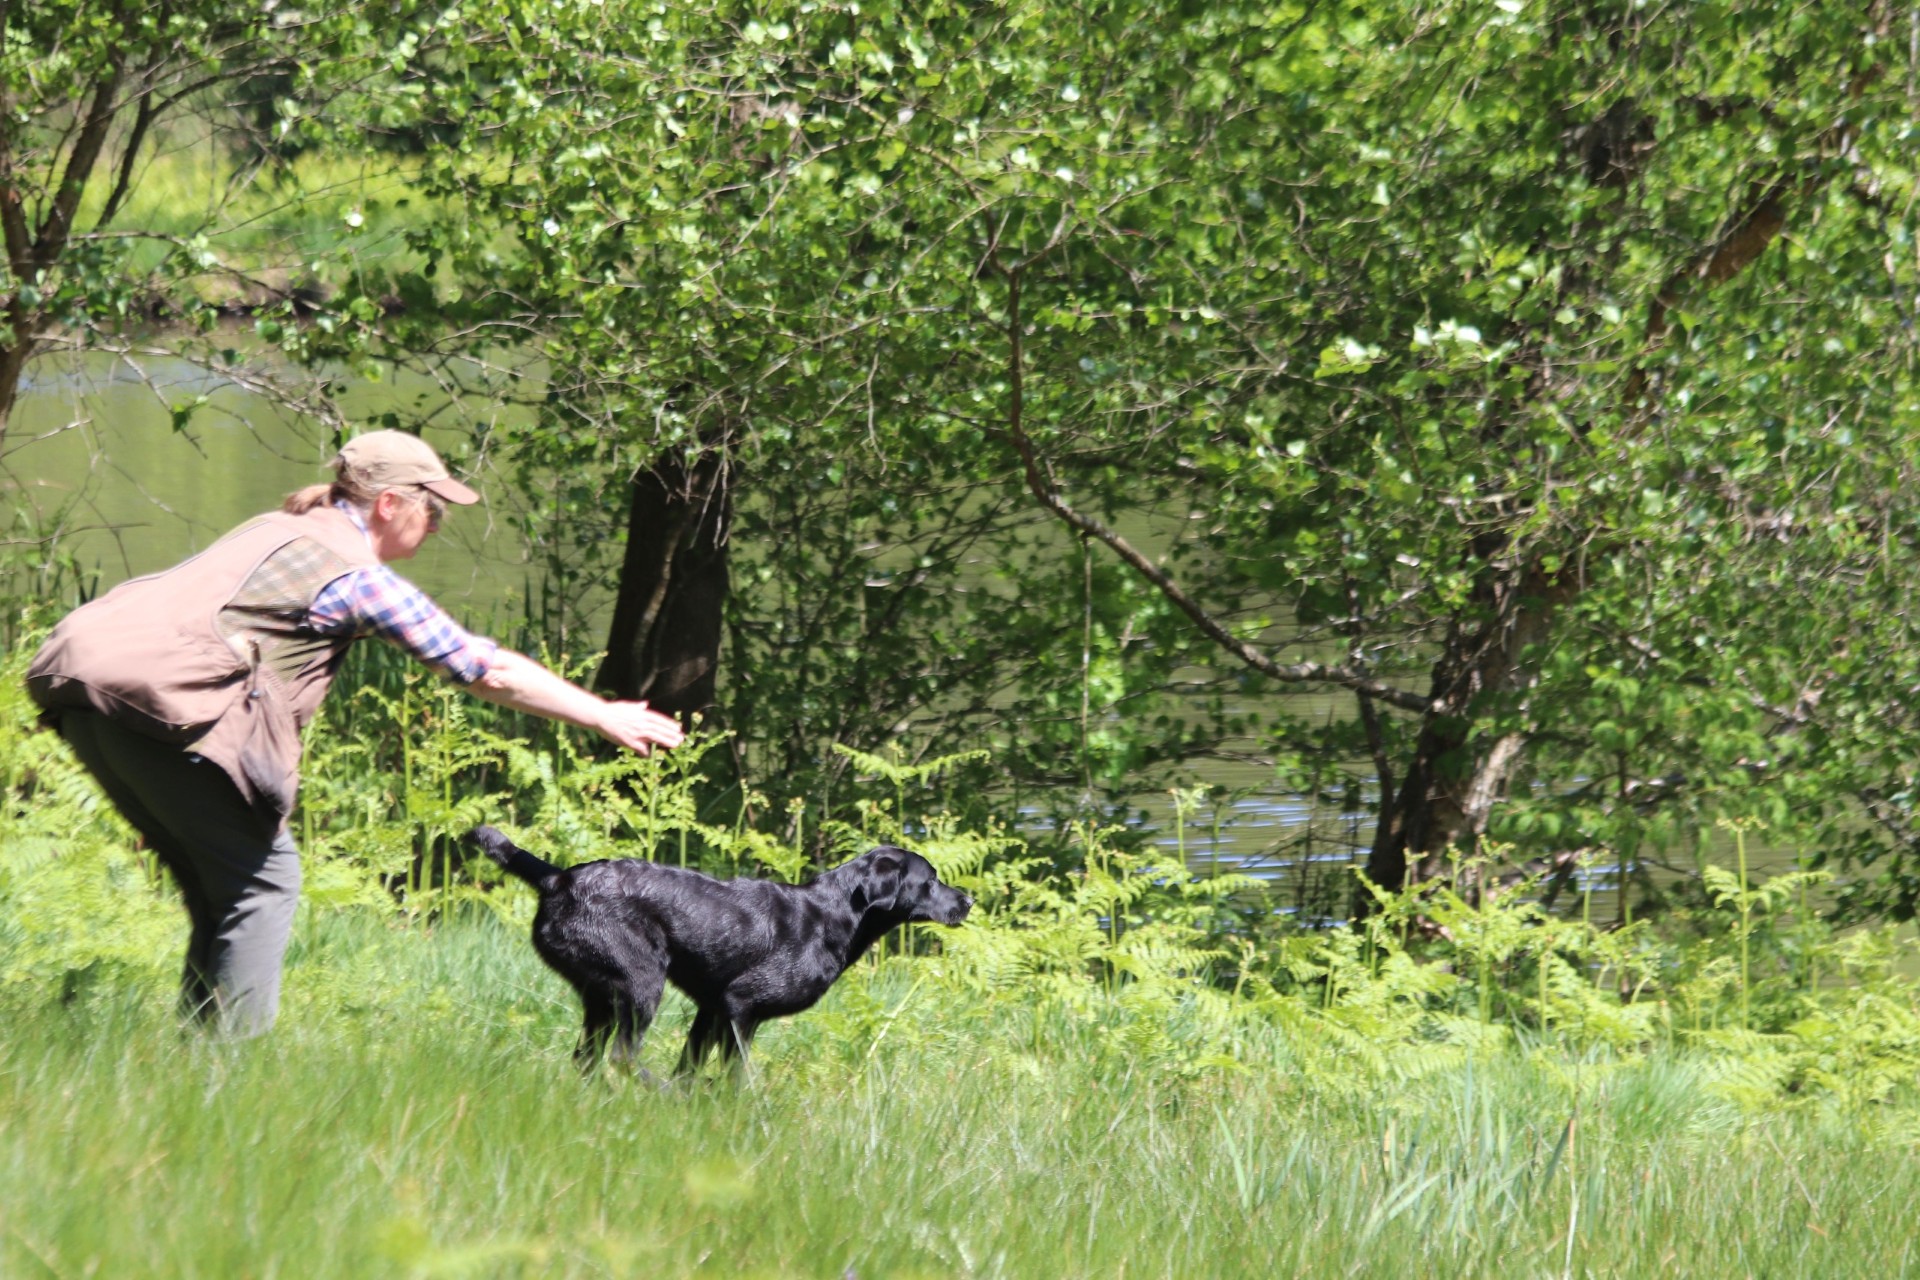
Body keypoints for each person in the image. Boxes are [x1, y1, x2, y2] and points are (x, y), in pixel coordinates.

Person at [25, 430, 685, 1036]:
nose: (437, 525)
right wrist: (601, 713)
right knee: (265, 883)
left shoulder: (276, 527)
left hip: (84, 690)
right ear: (390, 504)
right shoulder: (355, 576)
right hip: (167, 710)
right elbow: (484, 670)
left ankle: (198, 1058)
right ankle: (226, 1070)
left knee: (221, 885)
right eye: (433, 509)